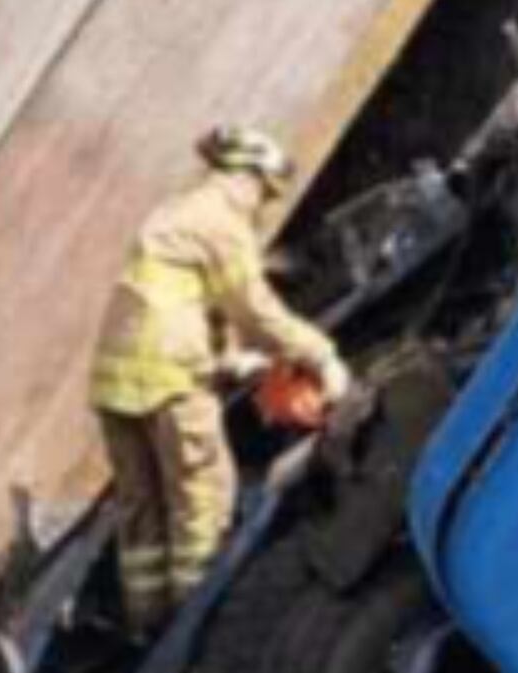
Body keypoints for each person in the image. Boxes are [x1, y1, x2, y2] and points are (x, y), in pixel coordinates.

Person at [90, 125, 352, 637]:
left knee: (143, 505)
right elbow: (255, 311)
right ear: (246, 176)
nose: (262, 206)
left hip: (118, 380)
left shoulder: (177, 214)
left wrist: (232, 361)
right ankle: (190, 627)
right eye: (264, 193)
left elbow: (179, 302)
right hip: (169, 378)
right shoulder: (221, 222)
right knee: (203, 499)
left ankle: (146, 623)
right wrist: (323, 357)